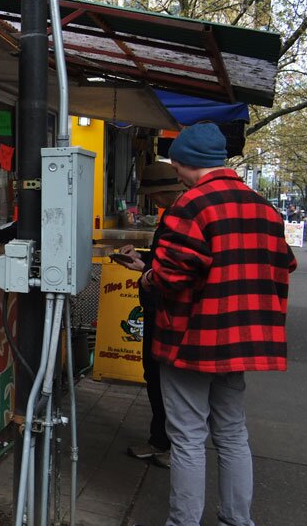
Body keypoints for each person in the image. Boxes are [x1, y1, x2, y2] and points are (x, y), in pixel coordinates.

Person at [137, 122, 296, 526]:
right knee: (231, 432)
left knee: (188, 437)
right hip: (243, 339)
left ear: (183, 163)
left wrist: (149, 275)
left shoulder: (189, 206)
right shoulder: (264, 207)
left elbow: (172, 273)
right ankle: (237, 521)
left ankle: (184, 522)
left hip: (193, 337)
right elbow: (285, 264)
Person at [116, 161, 186, 469]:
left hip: (166, 308)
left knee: (161, 378)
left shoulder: (180, 217)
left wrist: (146, 269)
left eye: (154, 195)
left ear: (164, 192)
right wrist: (142, 260)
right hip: (159, 306)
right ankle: (160, 439)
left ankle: (170, 444)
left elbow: (176, 268)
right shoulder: (172, 215)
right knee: (154, 376)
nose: (152, 201)